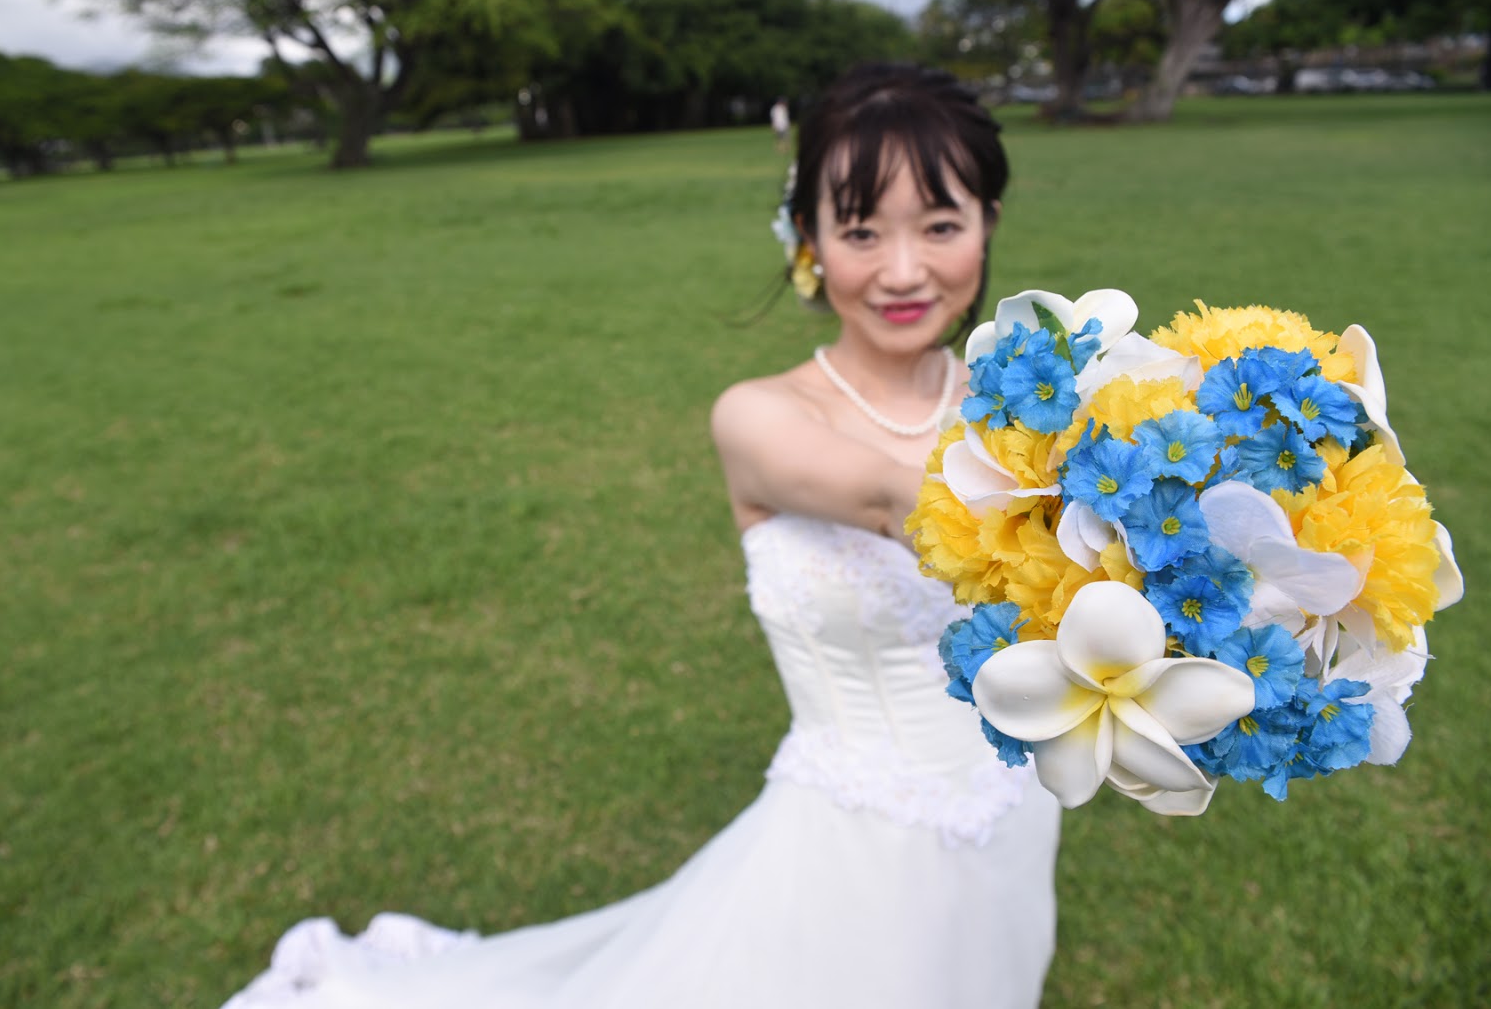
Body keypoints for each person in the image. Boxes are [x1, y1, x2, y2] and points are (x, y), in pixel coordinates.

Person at [219, 62, 1061, 1009]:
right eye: (862, 231)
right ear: (810, 240)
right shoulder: (759, 416)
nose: (903, 271)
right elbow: (887, 498)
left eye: (940, 225)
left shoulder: (1031, 412)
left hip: (1015, 811)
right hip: (850, 843)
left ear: (989, 222)